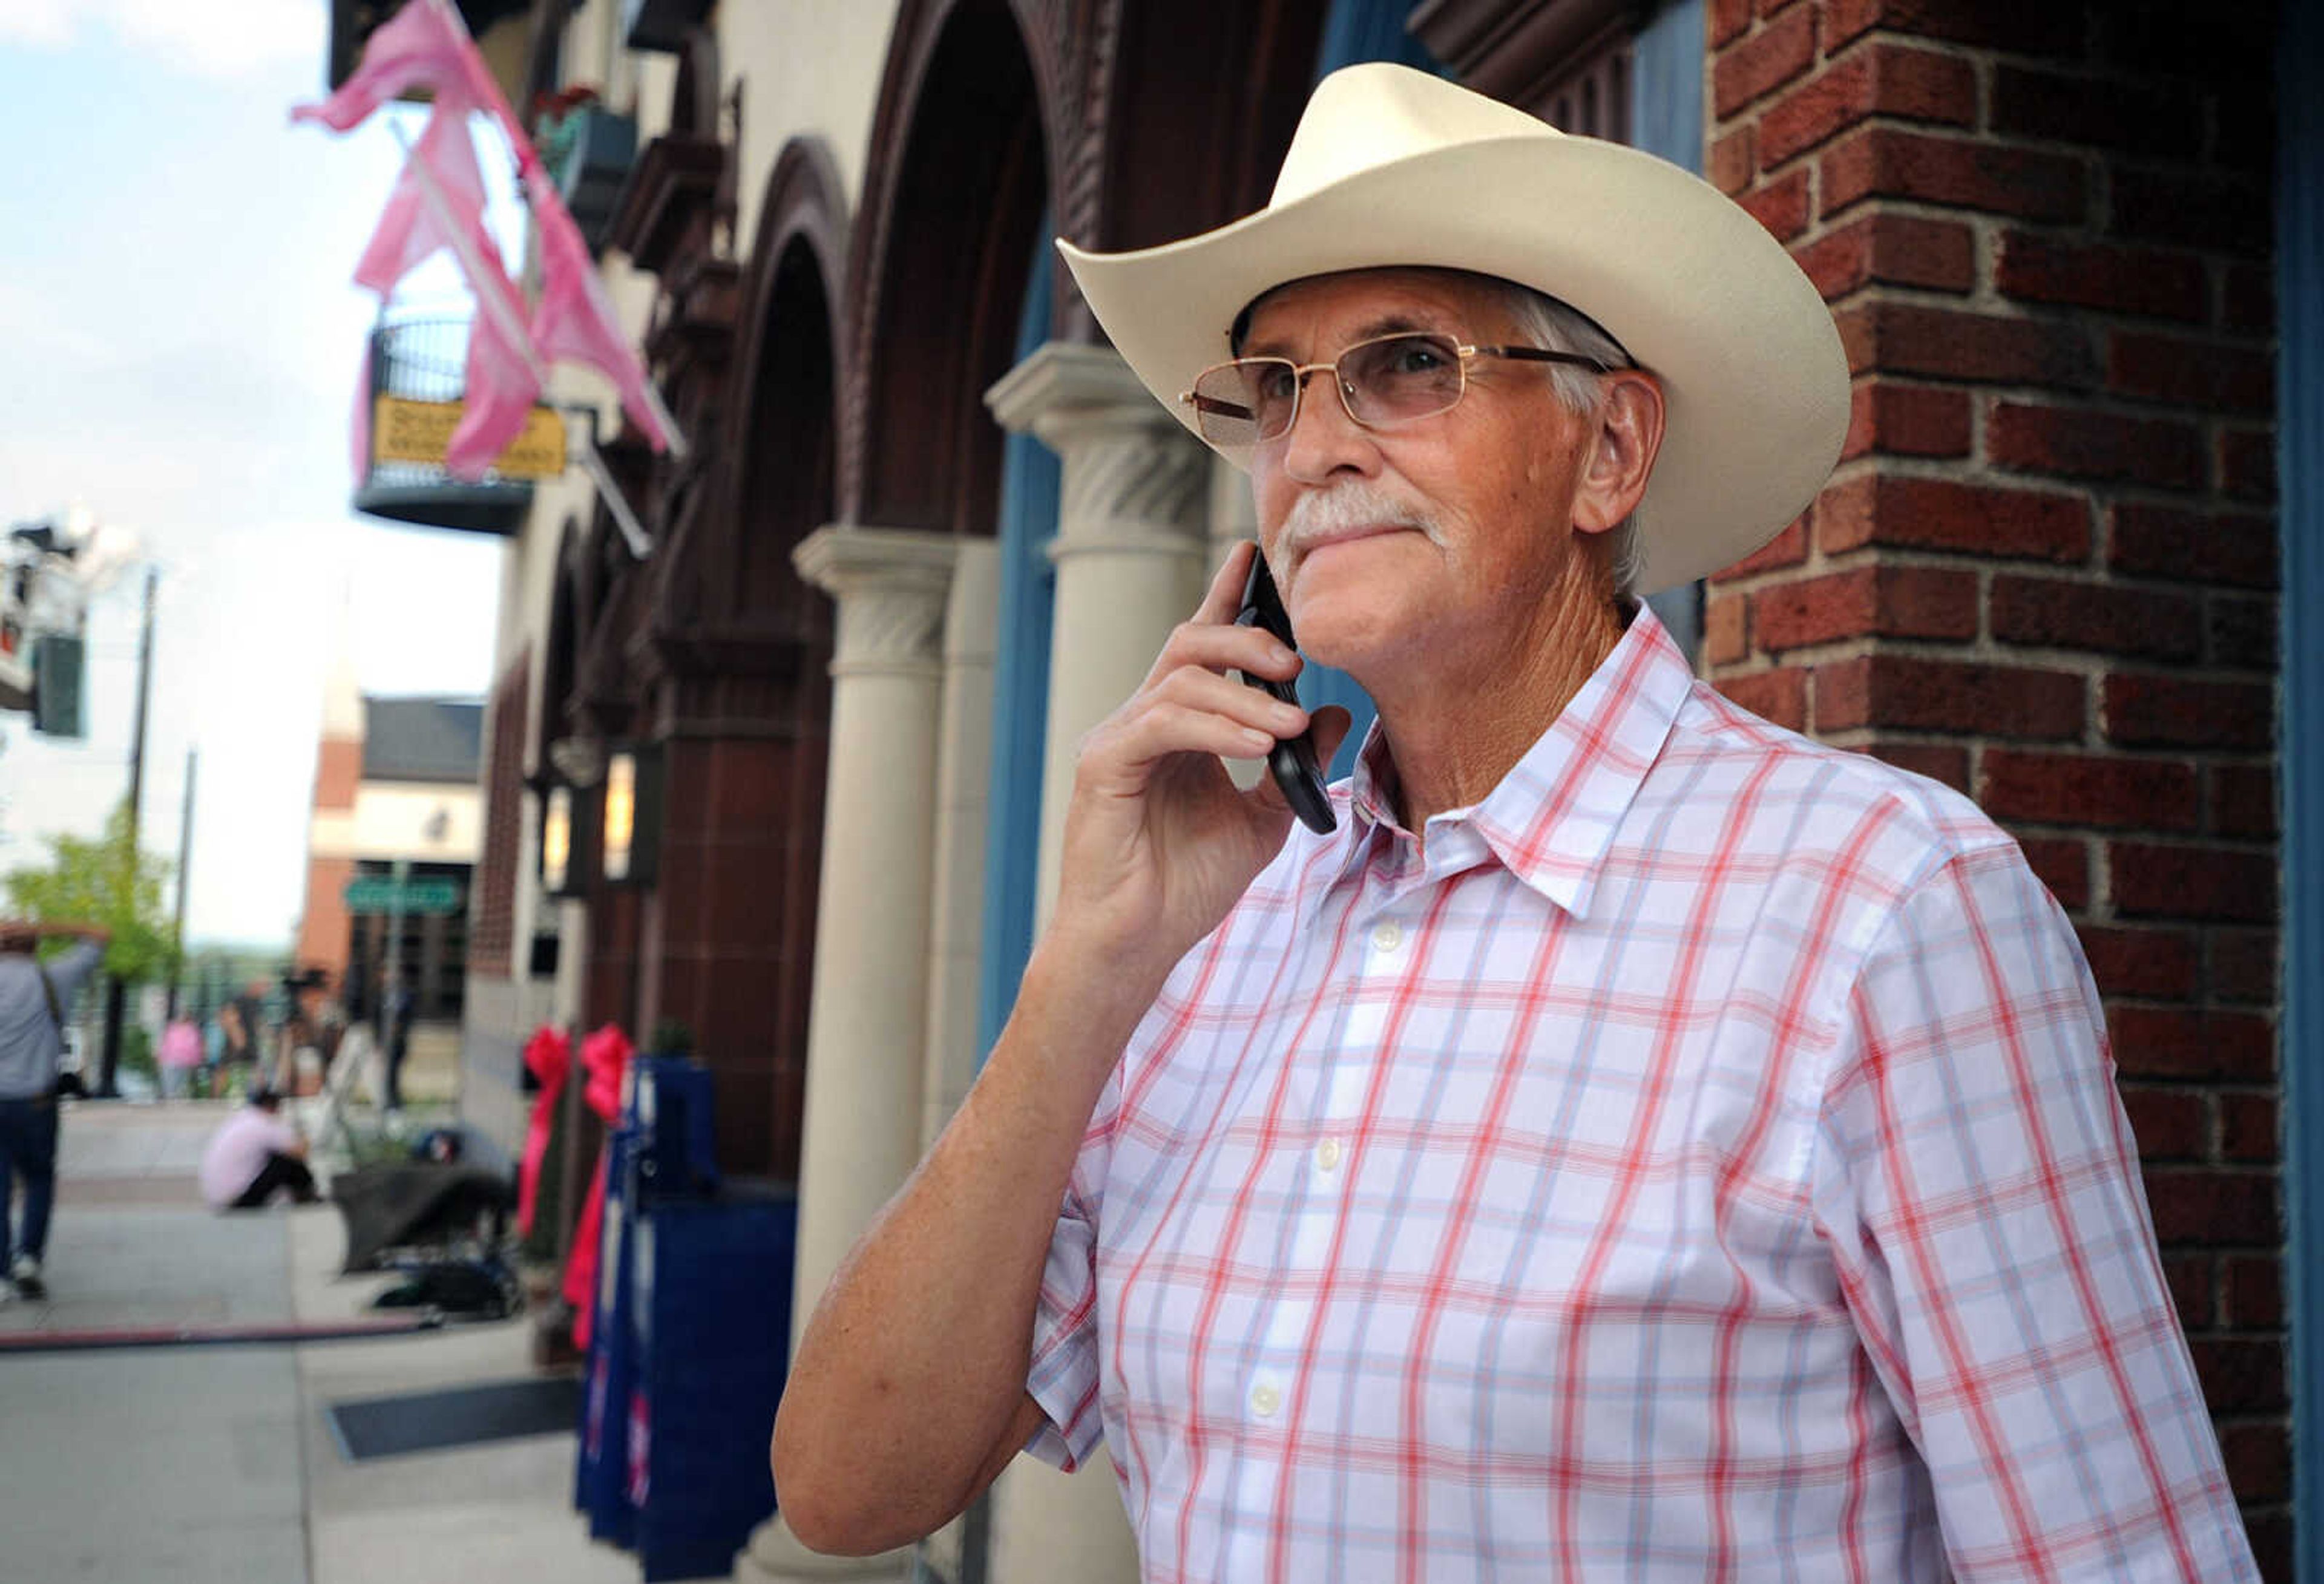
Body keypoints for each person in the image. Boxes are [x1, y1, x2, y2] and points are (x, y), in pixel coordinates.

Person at [770, 65, 2259, 1579]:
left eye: (1403, 364)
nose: (1312, 447)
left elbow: (2118, 1550)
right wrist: (1089, 963)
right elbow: (849, 1486)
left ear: (1605, 451)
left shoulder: (1882, 910)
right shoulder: (1217, 932)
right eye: (1274, 388)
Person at [0, 918, 110, 1303]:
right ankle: (28, 1258)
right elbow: (100, 936)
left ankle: (0, 1274)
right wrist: (46, 927)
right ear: (33, 945)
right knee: (38, 1179)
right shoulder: (55, 977)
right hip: (37, 1103)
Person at [197, 1087, 320, 1210]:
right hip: (238, 1200)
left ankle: (303, 1196)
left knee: (275, 1155)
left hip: (219, 1198)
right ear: (271, 1107)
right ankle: (308, 1196)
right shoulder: (263, 1123)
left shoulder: (241, 1120)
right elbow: (301, 1152)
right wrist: (305, 1134)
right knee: (286, 1162)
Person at [156, 1013, 203, 1102]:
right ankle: (173, 1101)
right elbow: (194, 1047)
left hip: (171, 1061)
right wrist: (196, 1060)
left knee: (170, 1085)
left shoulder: (173, 1029)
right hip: (181, 1061)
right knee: (178, 1085)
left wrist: (161, 1057)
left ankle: (170, 1101)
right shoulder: (191, 1030)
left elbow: (165, 1045)